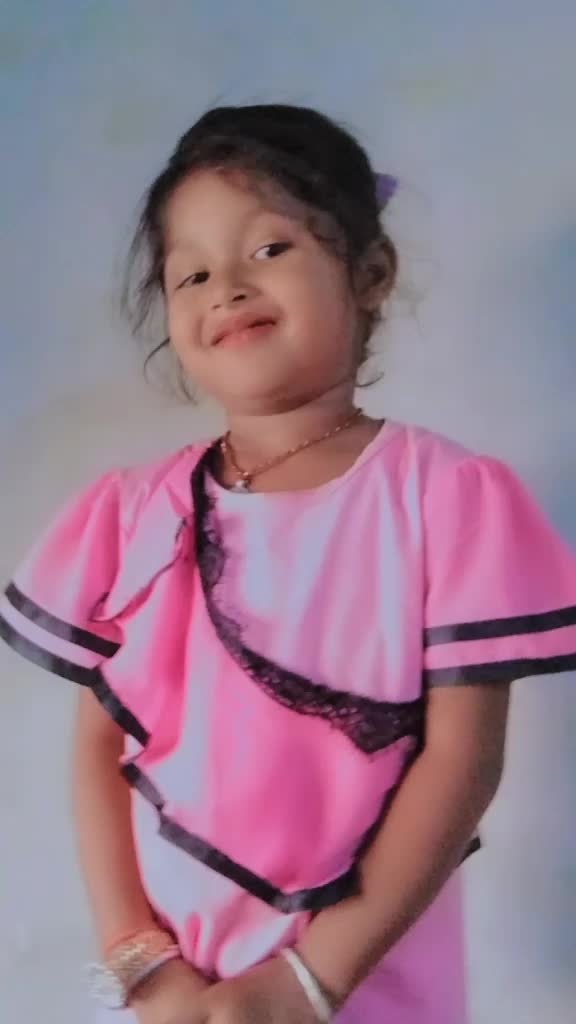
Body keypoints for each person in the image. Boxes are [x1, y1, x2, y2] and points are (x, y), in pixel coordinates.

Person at [1, 104, 575, 1024]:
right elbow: (97, 747)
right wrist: (138, 961)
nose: (226, 287)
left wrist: (311, 981)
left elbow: (463, 760)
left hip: (365, 976)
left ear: (370, 273)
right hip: (177, 992)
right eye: (191, 272)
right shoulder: (132, 513)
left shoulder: (445, 495)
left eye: (269, 249)